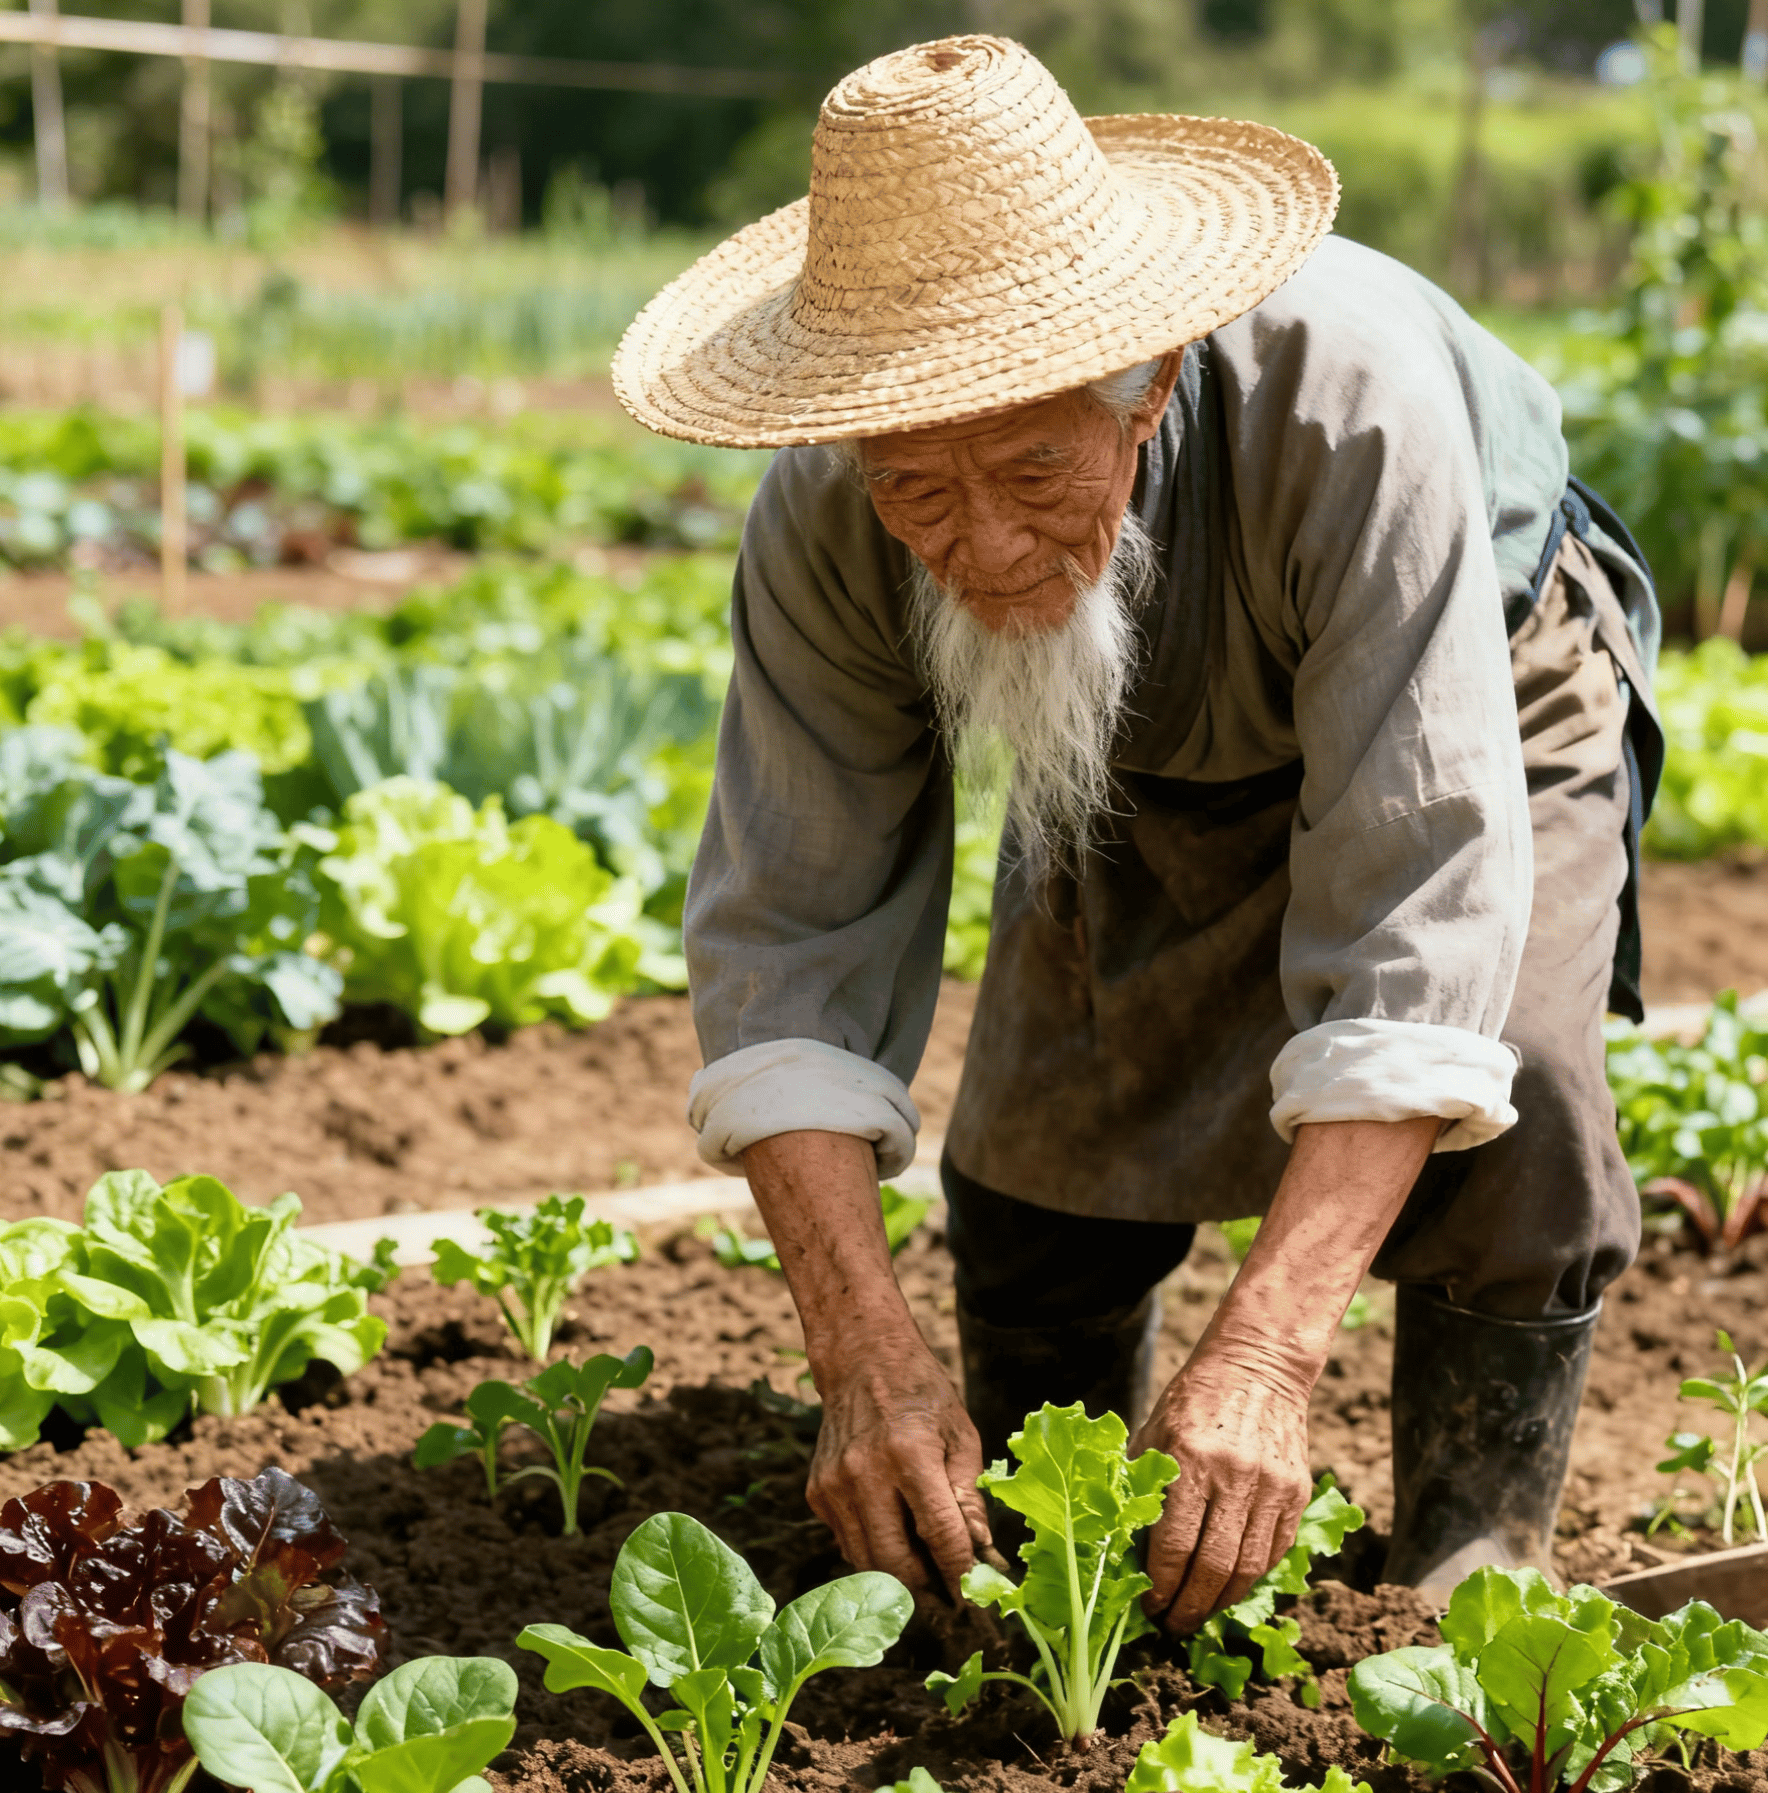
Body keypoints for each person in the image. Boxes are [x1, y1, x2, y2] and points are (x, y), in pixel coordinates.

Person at [611, 34, 1662, 1627]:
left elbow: (1421, 902)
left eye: (1034, 465)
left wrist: (1266, 1355)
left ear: (1152, 377)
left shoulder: (1350, 412)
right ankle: (1079, 1544)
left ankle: (1472, 1557)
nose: (980, 542)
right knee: (1040, 1152)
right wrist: (860, 1355)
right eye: (919, 489)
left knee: (1516, 1071)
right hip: (1129, 722)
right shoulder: (834, 514)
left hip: (1483, 672)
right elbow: (786, 929)